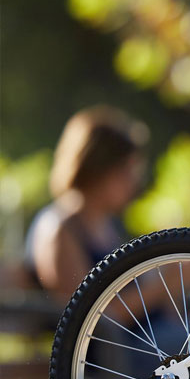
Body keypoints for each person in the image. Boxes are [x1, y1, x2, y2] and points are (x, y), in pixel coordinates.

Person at [24, 106, 147, 308]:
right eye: (127, 170)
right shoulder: (59, 228)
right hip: (123, 339)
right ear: (100, 169)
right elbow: (85, 317)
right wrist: (163, 286)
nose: (133, 181)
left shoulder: (107, 223)